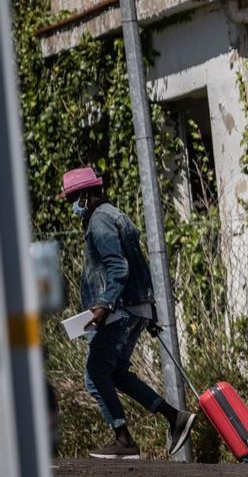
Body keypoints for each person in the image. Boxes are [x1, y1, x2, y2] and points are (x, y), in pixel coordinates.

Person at [59, 167, 196, 459]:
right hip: (136, 307)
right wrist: (151, 313)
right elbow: (140, 268)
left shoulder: (99, 222)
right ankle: (175, 418)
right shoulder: (117, 216)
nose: (71, 205)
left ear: (85, 195)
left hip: (117, 311)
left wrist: (104, 305)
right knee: (118, 373)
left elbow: (118, 267)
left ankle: (124, 441)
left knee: (95, 375)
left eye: (71, 198)